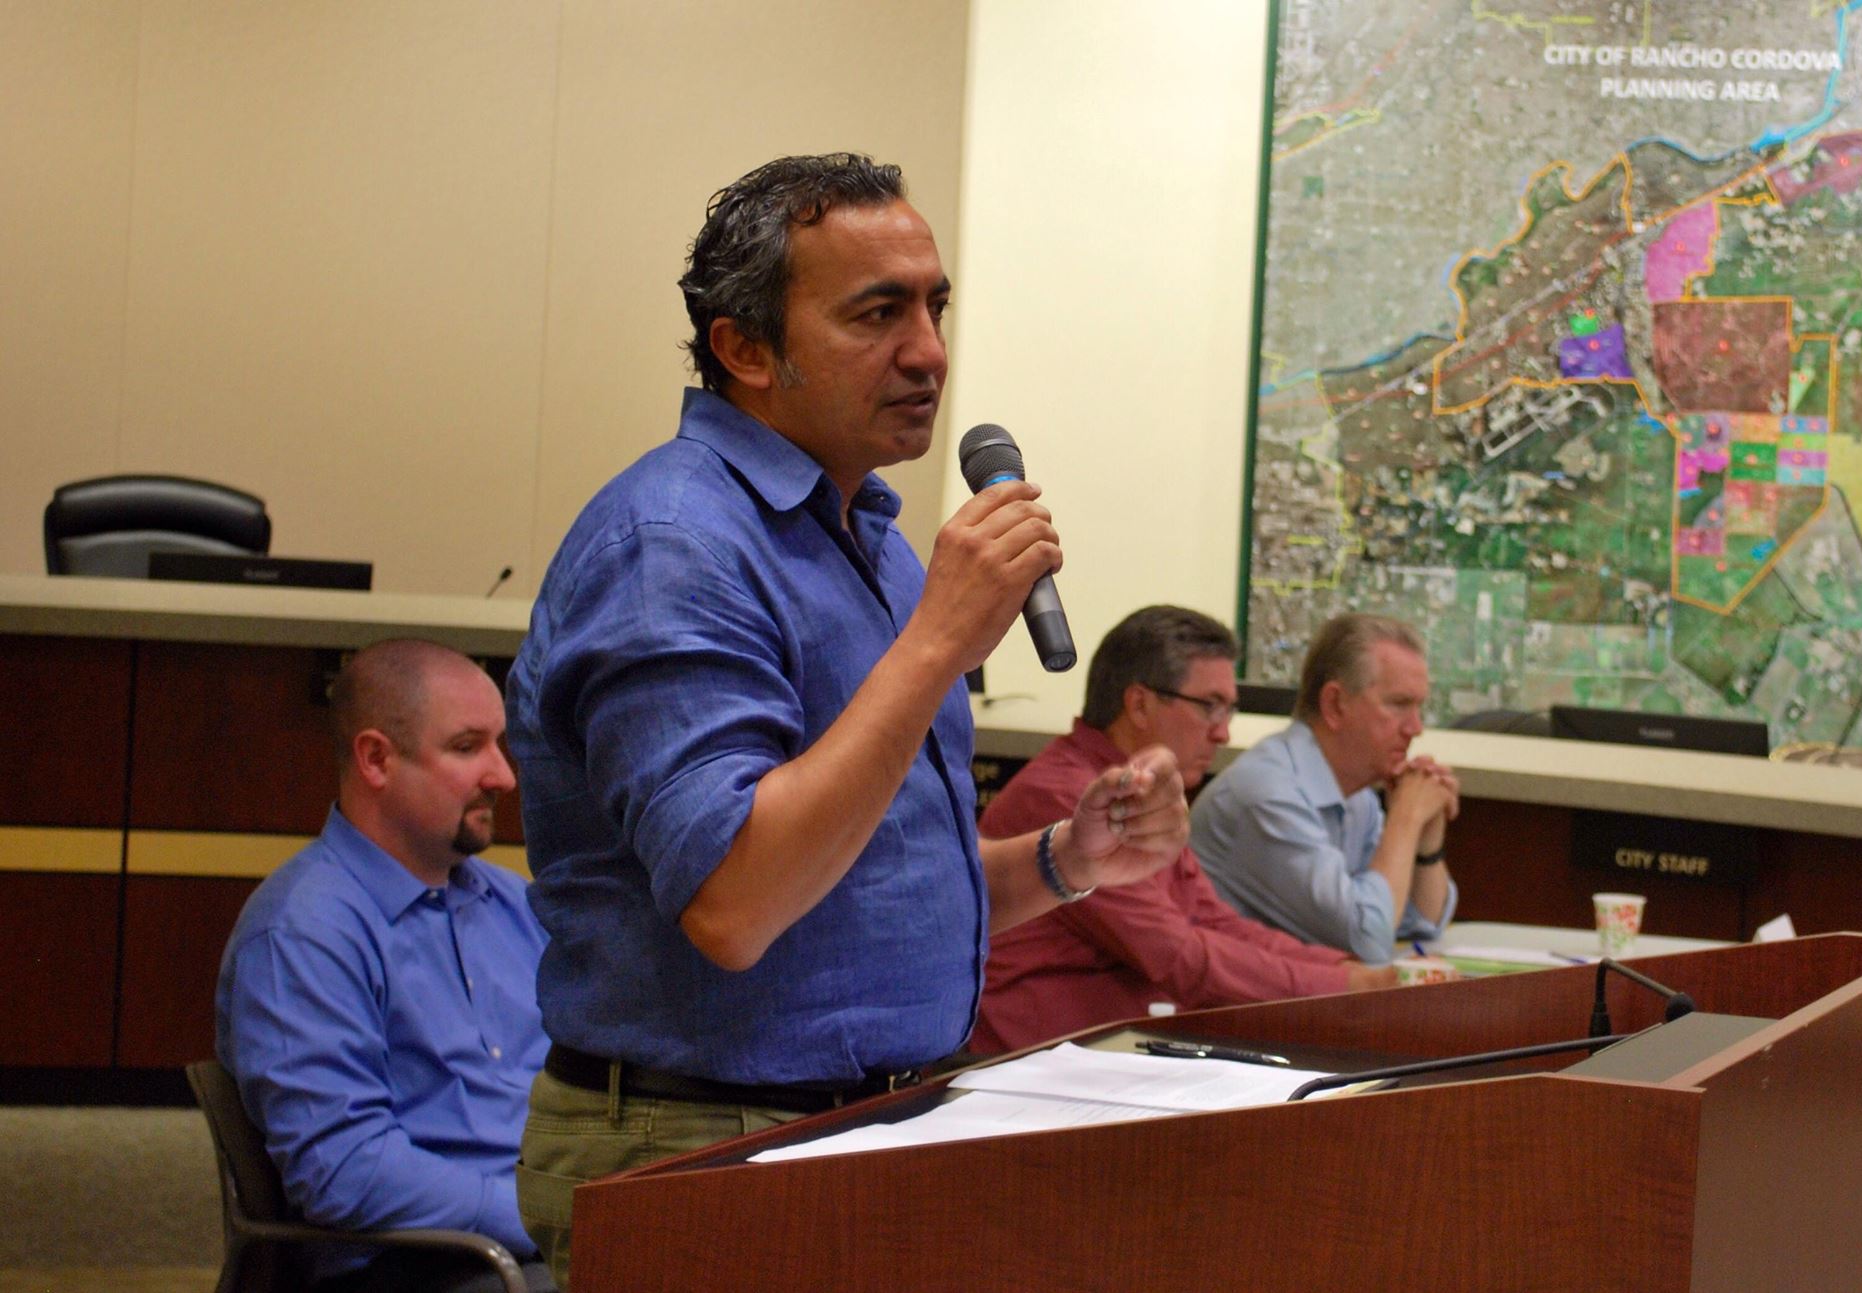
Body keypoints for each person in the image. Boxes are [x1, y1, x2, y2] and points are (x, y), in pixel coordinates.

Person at [505, 153, 1187, 1287]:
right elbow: (735, 902)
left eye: (933, 305)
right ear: (745, 348)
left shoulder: (863, 530)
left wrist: (1071, 859)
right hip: (706, 1148)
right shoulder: (672, 546)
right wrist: (935, 645)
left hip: (857, 1132)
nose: (927, 350)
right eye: (876, 313)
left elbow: (862, 884)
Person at [215, 639, 553, 1293]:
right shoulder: (303, 931)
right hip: (416, 1264)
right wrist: (543, 1215)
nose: (503, 774)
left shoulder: (513, 905)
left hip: (533, 1244)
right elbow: (345, 1171)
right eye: (466, 746)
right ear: (376, 759)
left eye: (500, 743)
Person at [972, 606, 1393, 1053]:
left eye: (1230, 710)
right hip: (1031, 1073)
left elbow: (1211, 920)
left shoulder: (1139, 788)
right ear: (1139, 704)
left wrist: (1343, 967)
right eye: (1210, 706)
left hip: (1109, 1057)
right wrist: (1342, 986)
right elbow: (1179, 958)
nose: (1224, 734)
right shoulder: (1070, 798)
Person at [1189, 613, 1459, 963]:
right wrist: (1405, 817)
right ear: (1334, 705)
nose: (1416, 728)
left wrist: (1427, 843)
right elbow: (1369, 940)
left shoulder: (1355, 792)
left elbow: (1420, 923)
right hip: (1224, 1009)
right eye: (1398, 705)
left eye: (1419, 707)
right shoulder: (1269, 794)